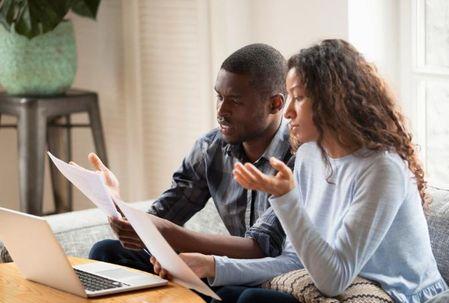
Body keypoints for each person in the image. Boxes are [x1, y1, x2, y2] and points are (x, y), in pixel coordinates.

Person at [227, 39, 448, 303]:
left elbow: (334, 279)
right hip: (341, 286)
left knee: (254, 302)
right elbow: (296, 261)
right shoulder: (310, 155)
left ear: (331, 100)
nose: (288, 112)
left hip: (399, 296)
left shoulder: (382, 168)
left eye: (298, 97)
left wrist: (286, 198)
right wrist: (214, 266)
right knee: (225, 293)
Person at [86, 44, 302, 288]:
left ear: (275, 104)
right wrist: (114, 202)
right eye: (219, 97)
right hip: (222, 269)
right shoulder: (210, 149)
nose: (221, 111)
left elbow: (262, 249)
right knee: (107, 252)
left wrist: (165, 233)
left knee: (238, 294)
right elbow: (162, 216)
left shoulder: (298, 158)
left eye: (235, 101)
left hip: (266, 277)